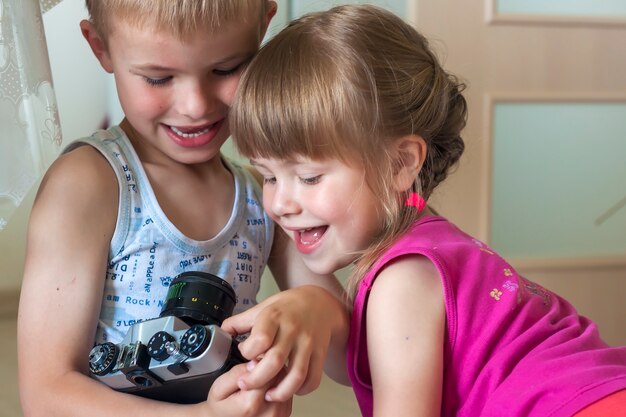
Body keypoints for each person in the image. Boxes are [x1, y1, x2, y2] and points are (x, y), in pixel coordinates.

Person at [229, 4, 626, 417]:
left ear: (400, 164)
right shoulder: (432, 242)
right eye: (268, 176)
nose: (279, 204)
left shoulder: (402, 280)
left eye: (309, 177)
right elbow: (355, 361)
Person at [17, 1, 349, 416]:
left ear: (263, 28)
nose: (195, 105)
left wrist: (317, 309)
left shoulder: (264, 198)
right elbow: (46, 395)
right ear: (99, 46)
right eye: (158, 78)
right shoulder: (88, 185)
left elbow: (349, 363)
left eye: (225, 69)